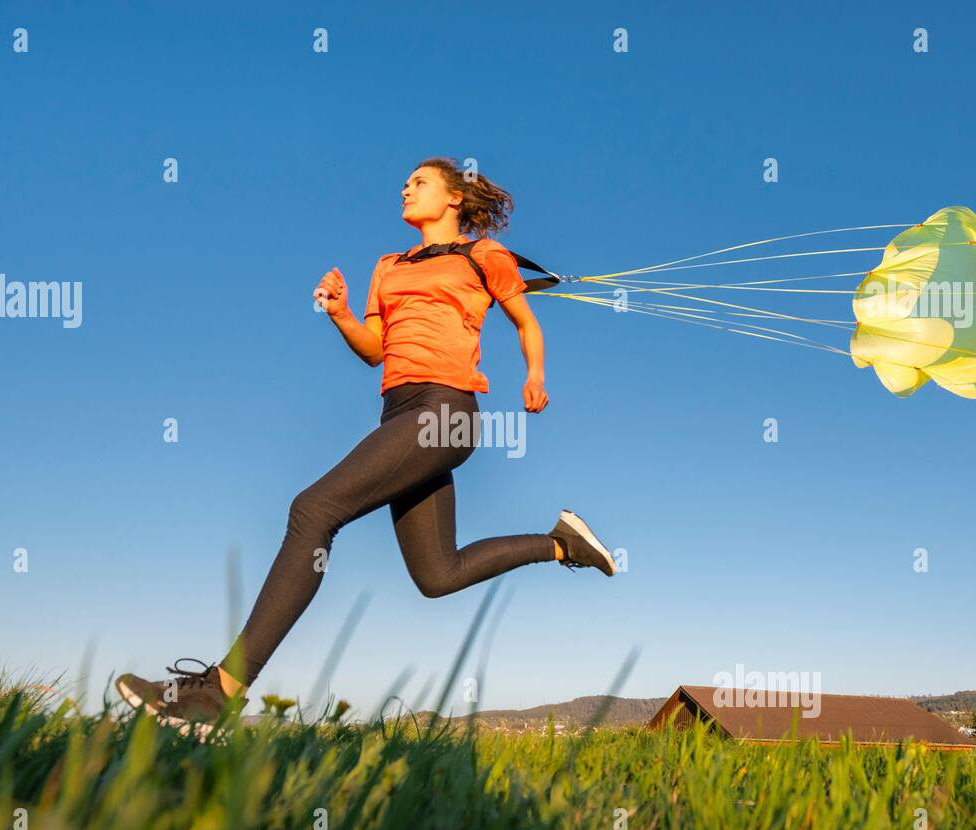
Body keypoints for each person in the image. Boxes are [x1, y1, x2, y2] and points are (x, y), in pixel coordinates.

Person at [116, 157, 616, 735]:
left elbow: (526, 323)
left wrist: (535, 376)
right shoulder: (388, 265)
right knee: (438, 575)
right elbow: (375, 349)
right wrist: (341, 314)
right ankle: (562, 546)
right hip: (400, 415)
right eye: (405, 183)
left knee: (313, 510)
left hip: (446, 411)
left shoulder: (484, 257)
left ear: (454, 198)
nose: (406, 188)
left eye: (420, 182)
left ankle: (218, 692)